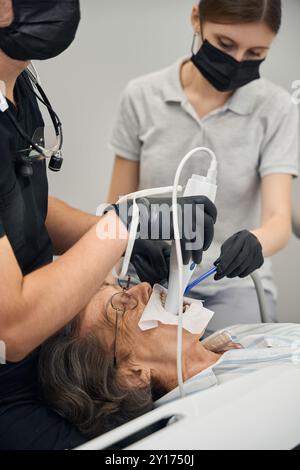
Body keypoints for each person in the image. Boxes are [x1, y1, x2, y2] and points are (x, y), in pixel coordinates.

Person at [0, 0, 217, 450]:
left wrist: (121, 237)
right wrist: (124, 224)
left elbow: (26, 210)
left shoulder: (17, 93)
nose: (137, 287)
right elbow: (13, 328)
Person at [108, 0, 299, 332]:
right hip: (149, 278)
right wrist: (132, 246)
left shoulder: (276, 108)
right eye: (226, 44)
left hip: (229, 282)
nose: (237, 61)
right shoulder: (143, 96)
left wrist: (255, 243)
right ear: (196, 19)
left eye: (255, 53)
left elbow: (279, 222)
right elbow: (118, 206)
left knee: (237, 371)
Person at [39, 280, 300, 441]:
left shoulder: (231, 336)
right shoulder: (215, 426)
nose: (144, 287)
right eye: (123, 306)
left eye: (124, 287)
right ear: (132, 374)